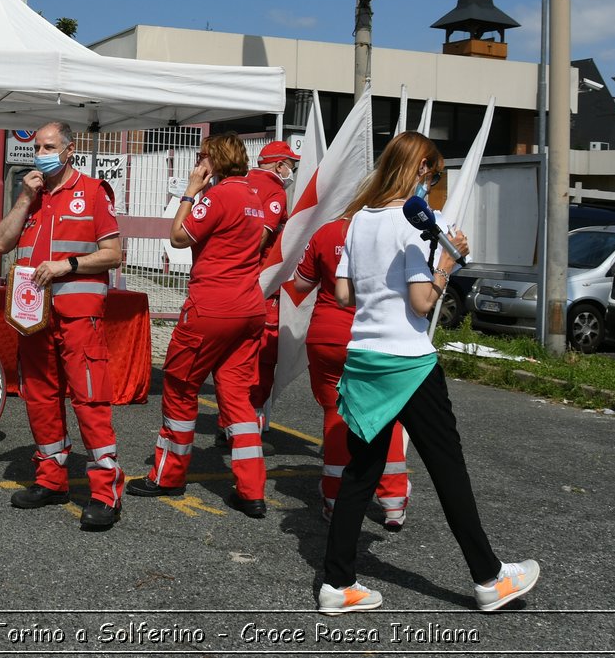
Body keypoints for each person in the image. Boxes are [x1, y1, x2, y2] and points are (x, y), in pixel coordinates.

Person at [318, 130, 540, 616]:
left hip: (364, 362)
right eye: (433, 173)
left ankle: (337, 583)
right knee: (449, 472)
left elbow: (343, 296)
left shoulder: (358, 222)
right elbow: (421, 303)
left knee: (360, 473)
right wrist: (447, 264)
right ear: (420, 169)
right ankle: (488, 578)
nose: (433, 183)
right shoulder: (419, 222)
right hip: (410, 365)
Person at [126, 133, 270, 517]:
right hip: (250, 307)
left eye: (201, 157)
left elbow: (178, 236)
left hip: (212, 307)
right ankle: (252, 490)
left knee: (180, 386)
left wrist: (190, 191)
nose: (197, 163)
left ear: (213, 160)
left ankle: (168, 476)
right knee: (238, 398)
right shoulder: (254, 197)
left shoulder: (219, 196)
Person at [0, 121, 125, 531]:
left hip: (79, 314)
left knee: (89, 398)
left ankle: (106, 491)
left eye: (50, 146)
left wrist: (67, 265)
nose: (41, 153)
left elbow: (113, 254)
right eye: (37, 147)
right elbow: (1, 243)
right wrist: (23, 197)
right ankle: (51, 479)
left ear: (69, 150)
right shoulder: (31, 194)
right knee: (40, 397)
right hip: (34, 317)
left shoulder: (92, 192)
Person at [289, 215, 410, 528]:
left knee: (335, 412)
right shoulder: (391, 230)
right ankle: (393, 502)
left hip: (327, 334)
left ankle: (333, 499)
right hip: (375, 335)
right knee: (388, 415)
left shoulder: (327, 232)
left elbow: (301, 283)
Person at [245, 139, 298, 424]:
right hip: (263, 284)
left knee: (238, 360)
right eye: (291, 165)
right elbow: (259, 238)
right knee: (263, 360)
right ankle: (249, 426)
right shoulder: (275, 191)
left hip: (236, 283)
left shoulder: (240, 183)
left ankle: (229, 423)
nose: (293, 171)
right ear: (279, 165)